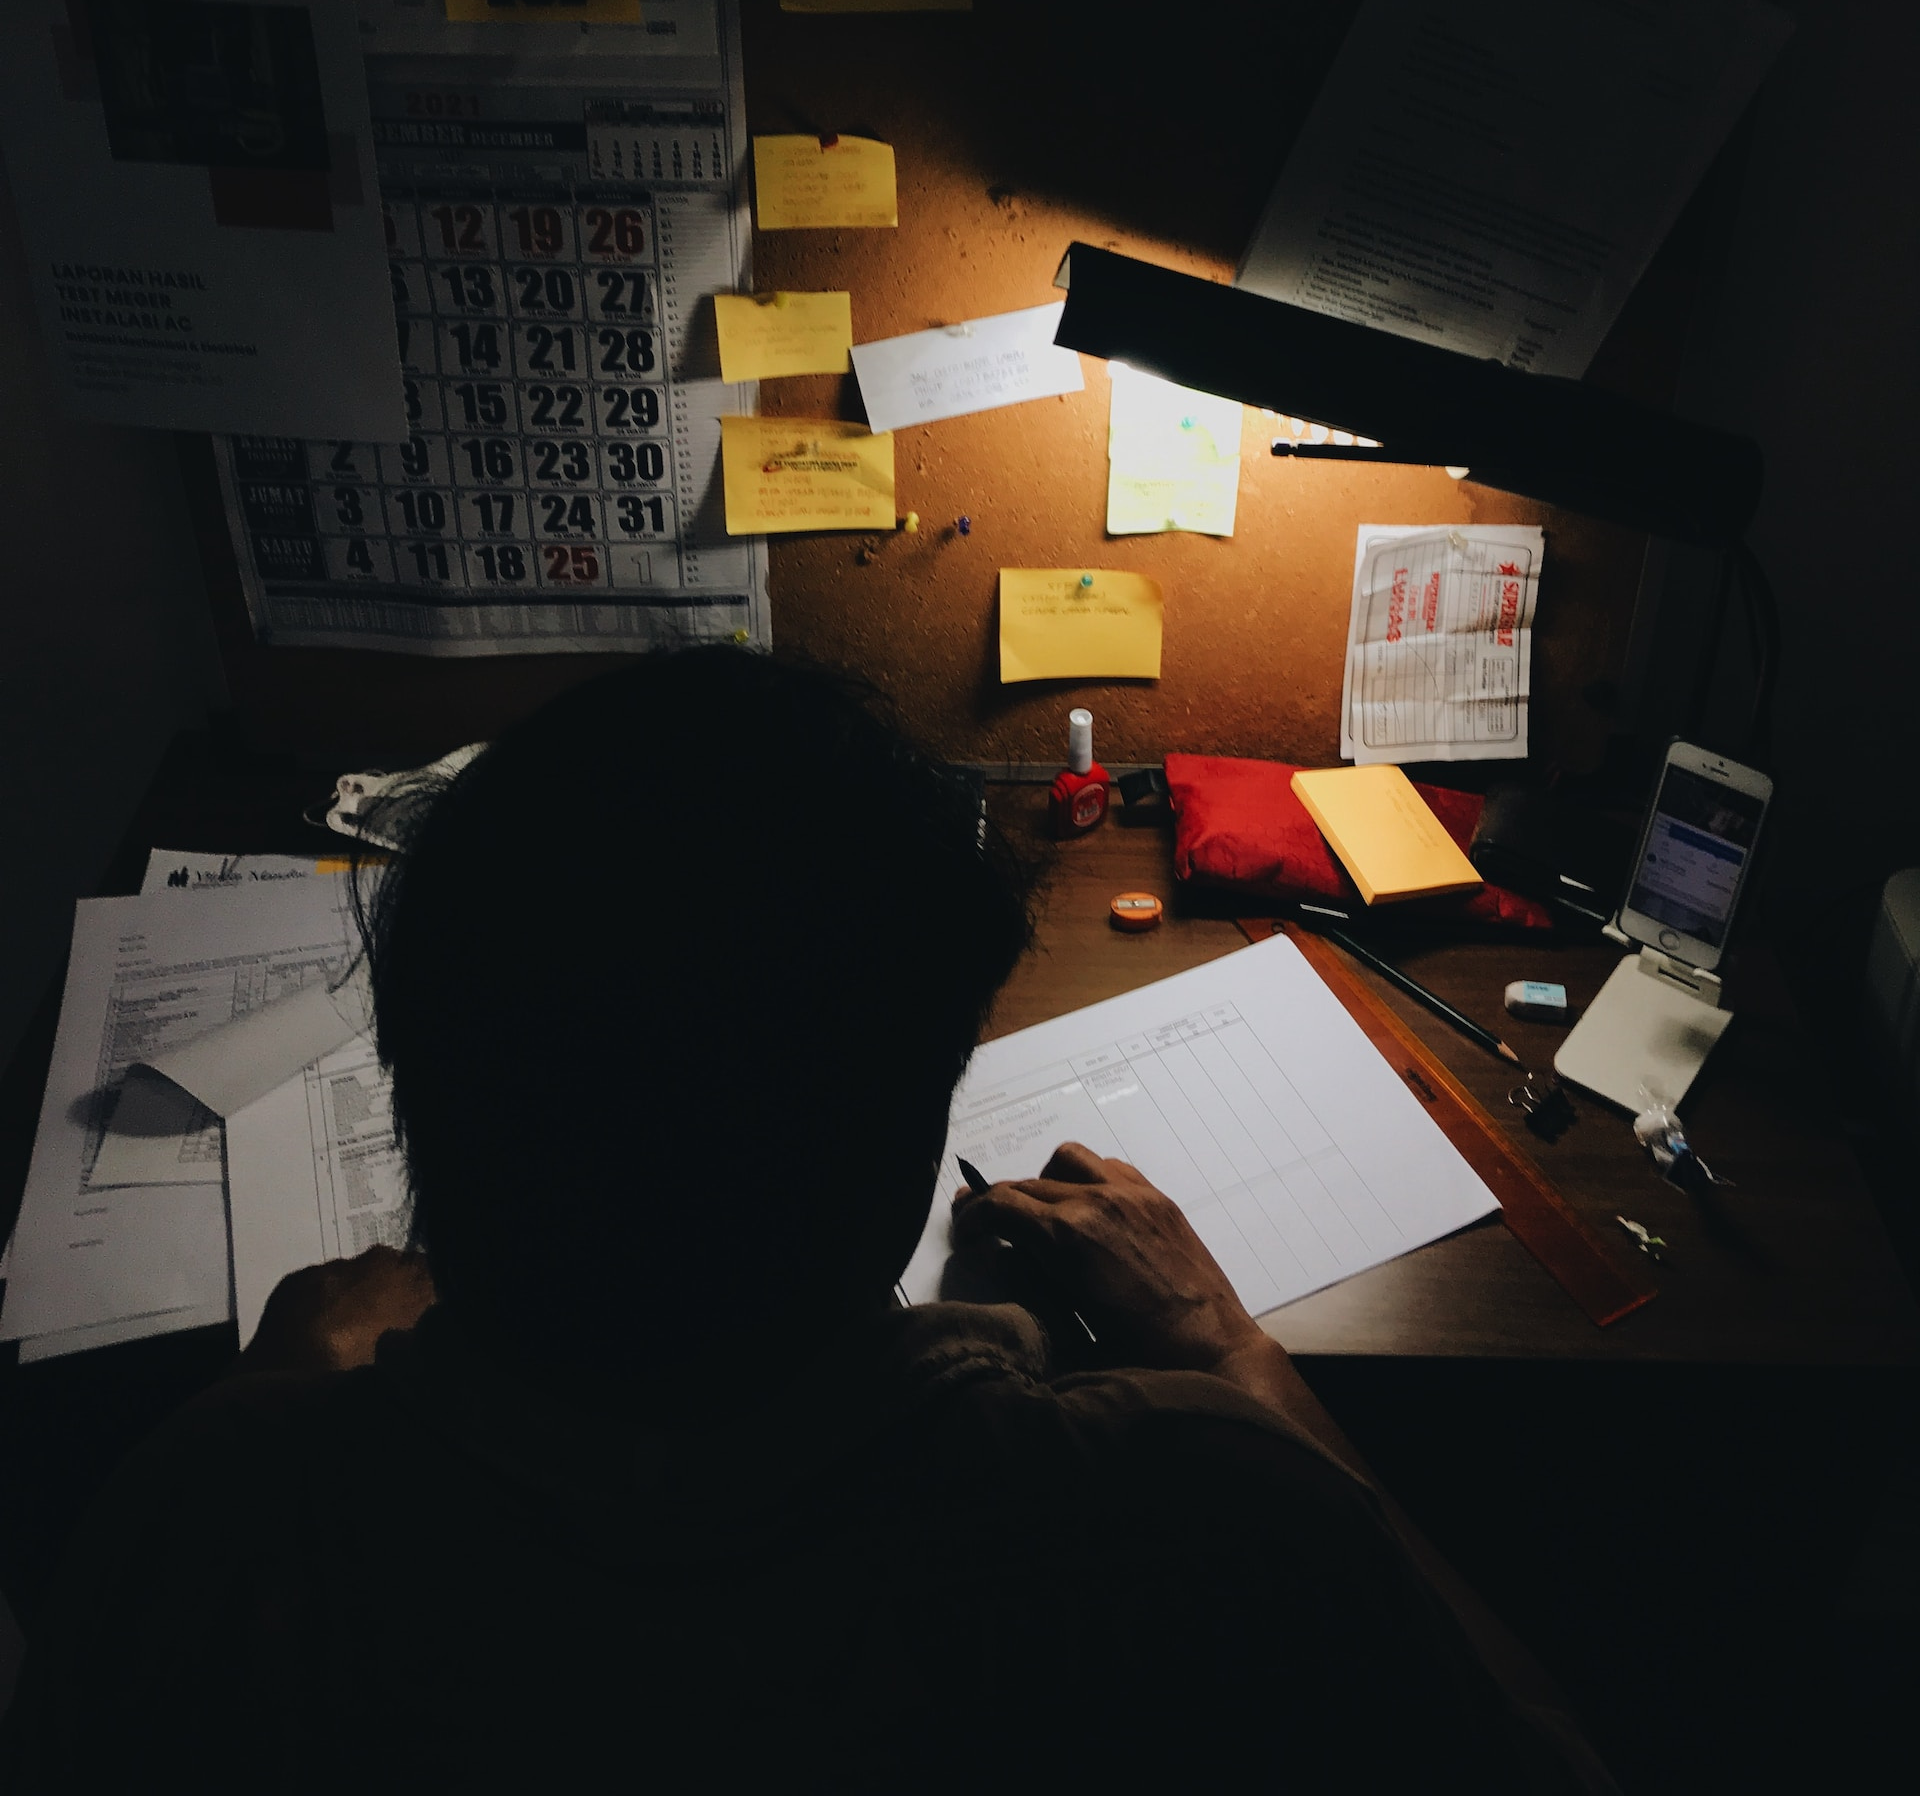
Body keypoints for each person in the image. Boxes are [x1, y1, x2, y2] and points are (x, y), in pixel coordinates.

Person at [6, 652, 1615, 1791]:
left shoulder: (214, 1525)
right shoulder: (1205, 1515)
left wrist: (275, 1388)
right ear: (899, 1132)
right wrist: (1229, 1345)